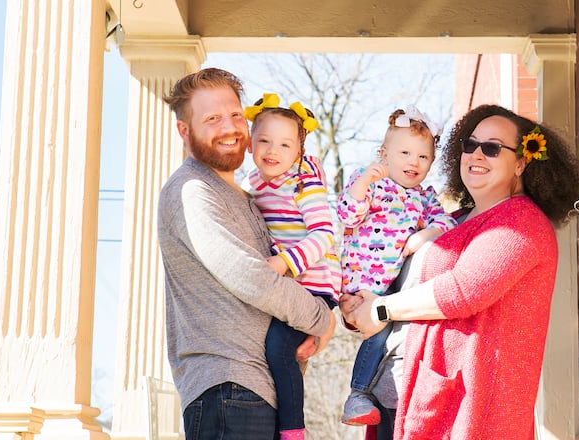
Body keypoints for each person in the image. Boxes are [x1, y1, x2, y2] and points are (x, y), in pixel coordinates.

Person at [341, 104, 579, 439]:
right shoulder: (449, 222)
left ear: (522, 162)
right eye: (470, 145)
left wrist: (380, 309)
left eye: (493, 148)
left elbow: (462, 291)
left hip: (469, 407)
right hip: (401, 393)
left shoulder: (520, 222)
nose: (477, 155)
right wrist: (359, 304)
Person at [157, 67, 334, 440]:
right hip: (227, 388)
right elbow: (254, 278)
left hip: (256, 391)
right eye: (212, 118)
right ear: (184, 131)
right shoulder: (192, 191)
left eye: (236, 114)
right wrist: (323, 320)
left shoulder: (251, 197)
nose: (230, 127)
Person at [337, 107, 456, 427]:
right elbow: (348, 214)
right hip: (362, 277)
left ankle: (374, 393)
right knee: (378, 328)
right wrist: (364, 181)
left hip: (391, 283)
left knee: (391, 330)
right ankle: (358, 394)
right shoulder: (371, 182)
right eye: (404, 152)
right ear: (383, 154)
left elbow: (445, 221)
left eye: (423, 157)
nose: (413, 162)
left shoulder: (425, 196)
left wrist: (426, 235)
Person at [243, 93, 342, 440]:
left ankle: (293, 430)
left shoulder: (304, 182)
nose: (273, 150)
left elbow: (324, 234)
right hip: (287, 287)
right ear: (249, 142)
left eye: (285, 144)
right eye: (264, 140)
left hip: (314, 284)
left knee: (279, 347)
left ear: (298, 152)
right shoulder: (252, 185)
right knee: (277, 352)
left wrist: (284, 262)